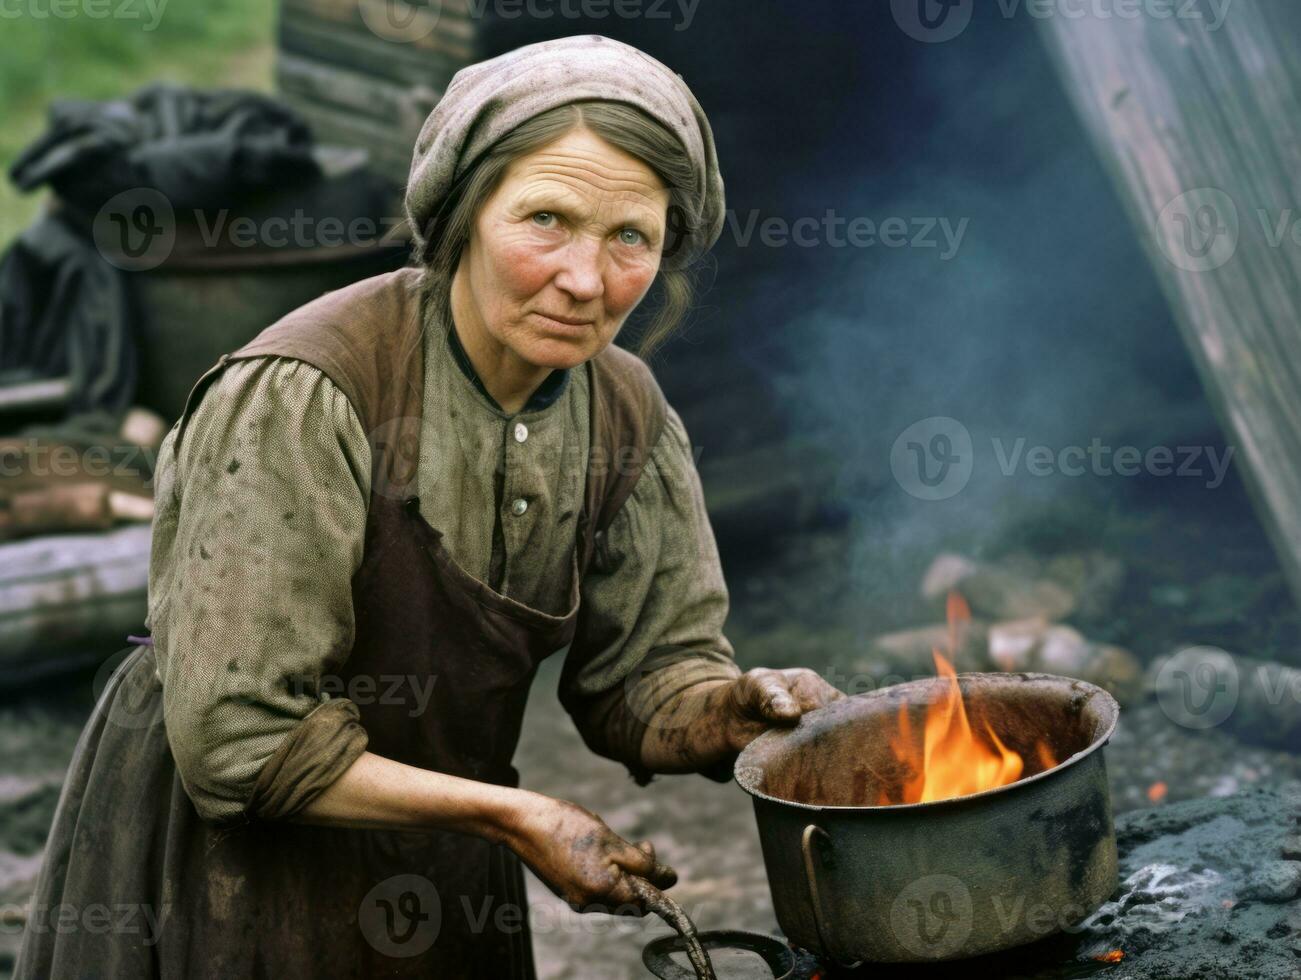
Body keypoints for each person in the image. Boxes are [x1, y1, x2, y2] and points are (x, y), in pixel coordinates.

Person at [16, 34, 843, 978]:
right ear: (461, 216)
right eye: (545, 219)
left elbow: (641, 678)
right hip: (228, 865)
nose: (585, 279)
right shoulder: (305, 393)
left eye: (630, 239)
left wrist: (729, 708)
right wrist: (515, 815)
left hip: (447, 861)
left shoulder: (626, 414)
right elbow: (241, 742)